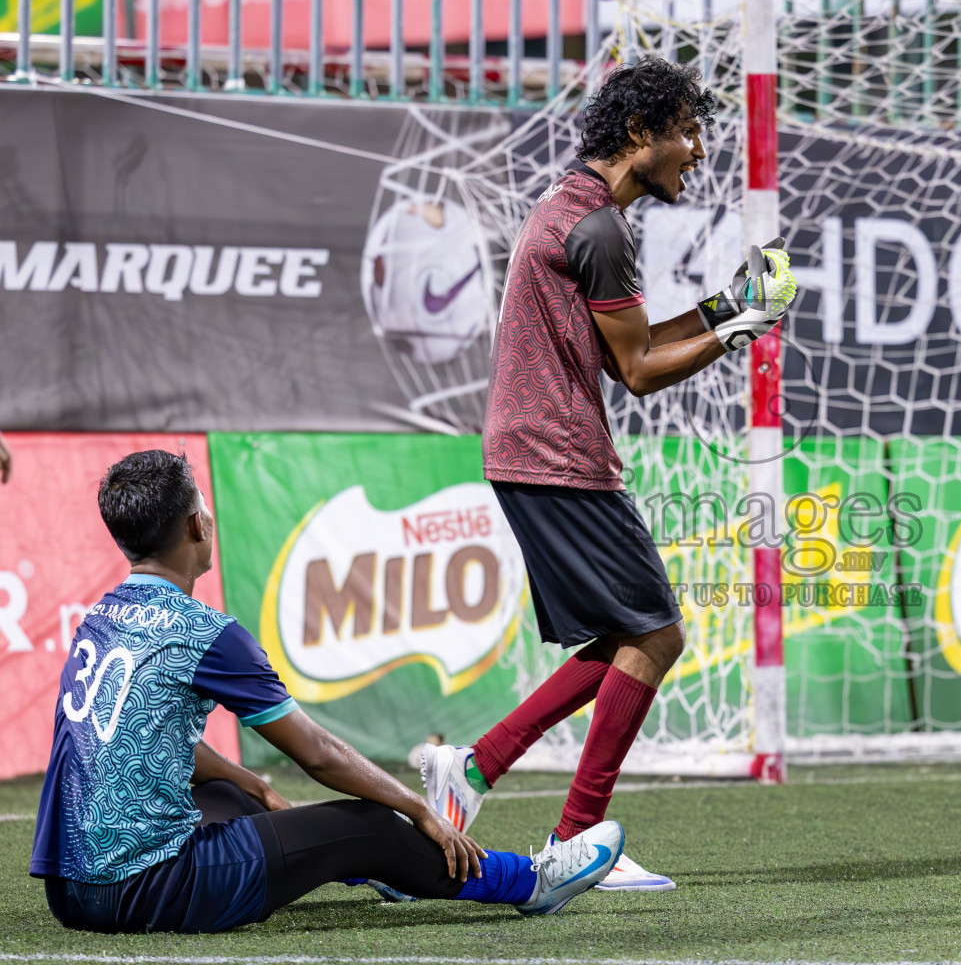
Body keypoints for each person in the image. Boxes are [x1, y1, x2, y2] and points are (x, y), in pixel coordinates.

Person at [419, 56, 796, 892]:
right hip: (557, 453)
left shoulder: (577, 207)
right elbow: (640, 372)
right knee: (658, 634)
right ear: (638, 135)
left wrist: (723, 309)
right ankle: (575, 835)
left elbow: (627, 341)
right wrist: (748, 331)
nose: (697, 151)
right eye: (687, 132)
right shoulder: (600, 227)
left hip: (533, 449)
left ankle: (476, 770)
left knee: (631, 636)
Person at [30, 449, 625, 934]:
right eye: (203, 505)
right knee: (374, 822)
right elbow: (317, 753)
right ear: (196, 525)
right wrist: (418, 810)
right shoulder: (208, 634)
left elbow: (140, 739)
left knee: (238, 800)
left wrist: (252, 784)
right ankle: (531, 881)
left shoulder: (102, 618)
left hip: (72, 892)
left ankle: (397, 868)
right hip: (151, 891)